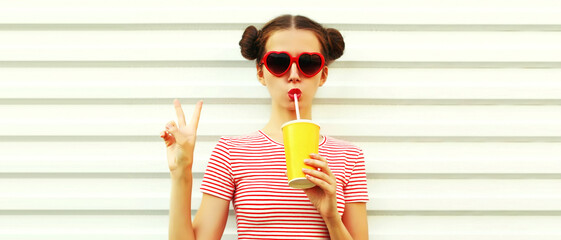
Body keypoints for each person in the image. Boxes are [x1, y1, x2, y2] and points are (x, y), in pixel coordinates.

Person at [161, 14, 369, 240]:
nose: (294, 75)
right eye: (278, 62)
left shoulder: (349, 157)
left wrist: (331, 217)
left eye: (308, 63)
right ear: (261, 73)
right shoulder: (231, 152)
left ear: (323, 75)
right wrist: (181, 170)